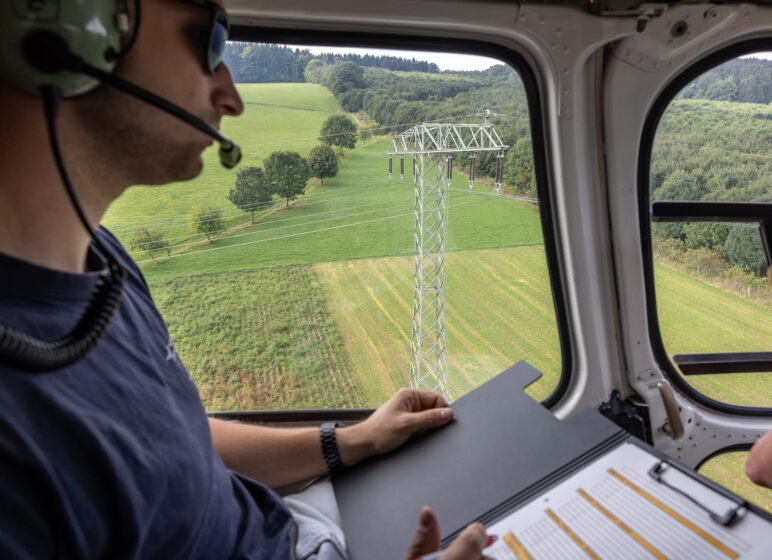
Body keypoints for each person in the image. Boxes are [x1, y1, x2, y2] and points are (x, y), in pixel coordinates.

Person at [0, 0, 488, 558]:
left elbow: (174, 441)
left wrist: (352, 440)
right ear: (65, 36)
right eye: (208, 43)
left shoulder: (102, 260)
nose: (231, 95)